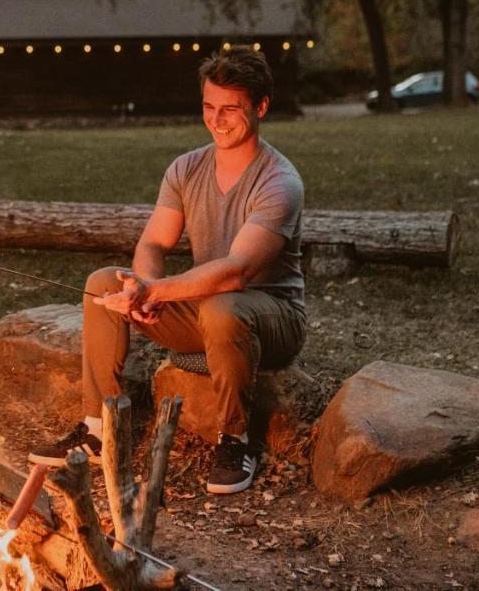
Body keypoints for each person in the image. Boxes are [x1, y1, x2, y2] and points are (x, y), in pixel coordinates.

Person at [29, 49, 306, 494]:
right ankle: (98, 430)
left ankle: (235, 441)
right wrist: (141, 285)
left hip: (272, 317)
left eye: (231, 109)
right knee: (103, 283)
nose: (217, 119)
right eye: (208, 107)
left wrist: (158, 292)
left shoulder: (278, 181)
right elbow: (153, 244)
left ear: (261, 107)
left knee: (222, 305)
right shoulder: (185, 168)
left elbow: (237, 271)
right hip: (209, 309)